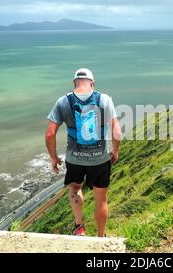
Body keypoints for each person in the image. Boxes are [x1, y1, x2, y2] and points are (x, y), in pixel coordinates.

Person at [45, 68, 122, 237]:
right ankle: (100, 236)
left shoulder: (63, 101)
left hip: (75, 159)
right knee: (101, 198)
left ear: (74, 83)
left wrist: (53, 157)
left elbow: (50, 134)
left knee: (74, 188)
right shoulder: (105, 100)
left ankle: (79, 227)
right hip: (100, 160)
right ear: (92, 83)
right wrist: (114, 151)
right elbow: (117, 131)